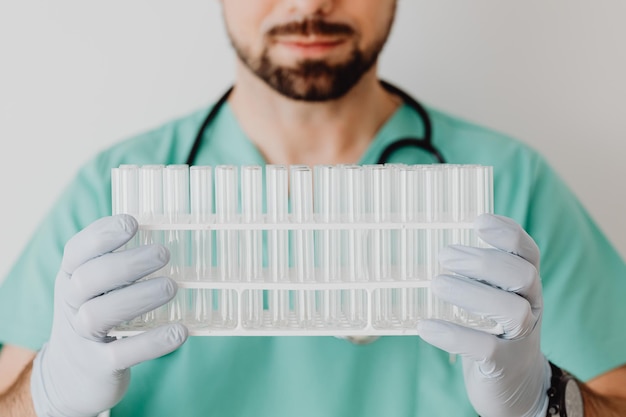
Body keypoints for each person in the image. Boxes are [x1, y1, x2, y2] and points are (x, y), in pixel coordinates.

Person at [1, 0, 626, 415]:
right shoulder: (113, 192)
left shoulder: (511, 186)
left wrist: (546, 399)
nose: (310, 2)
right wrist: (50, 395)